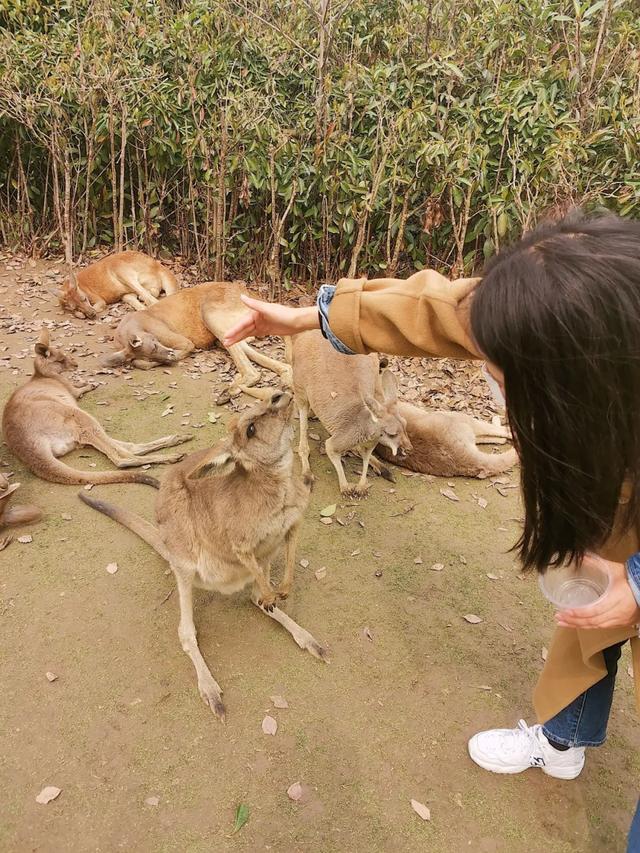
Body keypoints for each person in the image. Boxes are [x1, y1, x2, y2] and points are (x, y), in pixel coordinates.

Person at [223, 212, 640, 850]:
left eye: (508, 385)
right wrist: (310, 317)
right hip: (617, 486)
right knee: (588, 610)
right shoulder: (573, 321)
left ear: (588, 381)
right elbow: (440, 311)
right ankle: (564, 739)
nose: (501, 403)